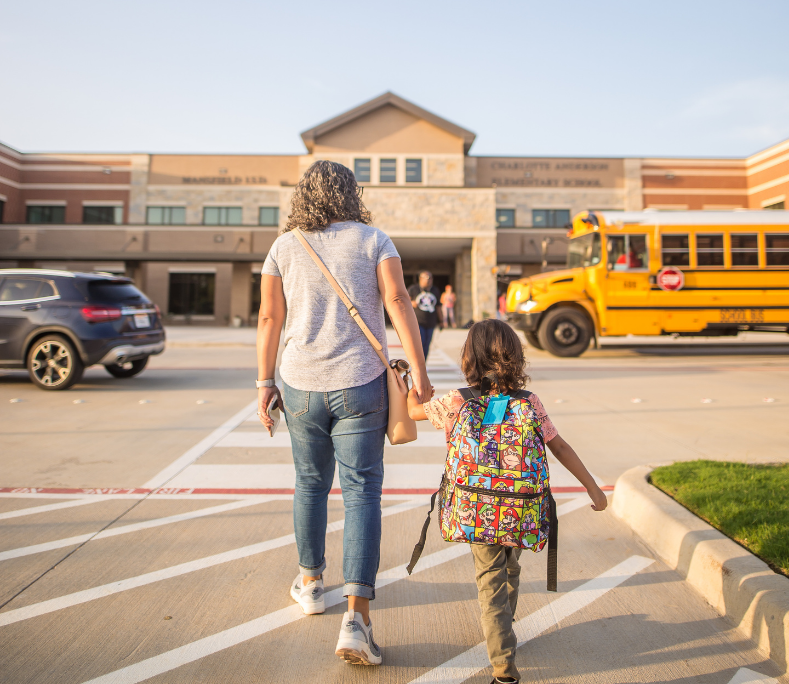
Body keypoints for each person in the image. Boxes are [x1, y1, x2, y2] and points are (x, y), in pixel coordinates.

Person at [256, 160, 432, 667]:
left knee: (309, 484)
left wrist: (264, 384)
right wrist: (417, 371)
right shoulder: (375, 239)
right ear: (351, 193)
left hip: (300, 384)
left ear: (303, 196)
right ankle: (356, 619)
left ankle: (310, 583)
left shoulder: (284, 245)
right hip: (361, 384)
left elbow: (270, 316)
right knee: (361, 494)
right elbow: (397, 299)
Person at [406, 319, 607, 683]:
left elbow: (412, 412)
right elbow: (558, 446)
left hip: (476, 511)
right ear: (515, 356)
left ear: (470, 357)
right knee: (510, 567)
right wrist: (592, 487)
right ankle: (505, 627)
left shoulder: (456, 402)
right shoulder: (529, 402)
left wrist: (410, 389)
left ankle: (503, 665)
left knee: (490, 581)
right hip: (521, 510)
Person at [408, 271, 442, 359]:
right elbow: (404, 301)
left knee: (427, 345)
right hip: (418, 322)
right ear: (420, 279)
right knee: (420, 343)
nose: (428, 280)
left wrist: (442, 321)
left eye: (430, 278)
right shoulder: (413, 289)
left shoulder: (435, 290)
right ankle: (417, 364)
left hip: (431, 322)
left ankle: (423, 364)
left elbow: (438, 307)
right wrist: (412, 303)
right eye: (426, 278)